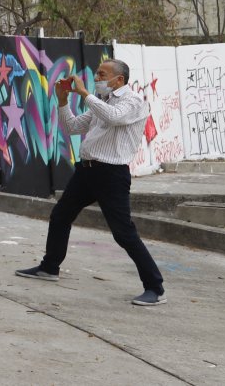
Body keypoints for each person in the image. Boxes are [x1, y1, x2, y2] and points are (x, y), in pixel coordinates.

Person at [15, 59, 166, 306]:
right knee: (61, 215)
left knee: (123, 233)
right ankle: (49, 267)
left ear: (119, 80)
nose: (96, 78)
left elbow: (115, 117)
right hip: (87, 171)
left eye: (101, 74)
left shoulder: (134, 102)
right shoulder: (101, 102)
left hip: (112, 175)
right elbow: (72, 127)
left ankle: (155, 287)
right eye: (97, 73)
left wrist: (84, 94)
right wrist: (63, 101)